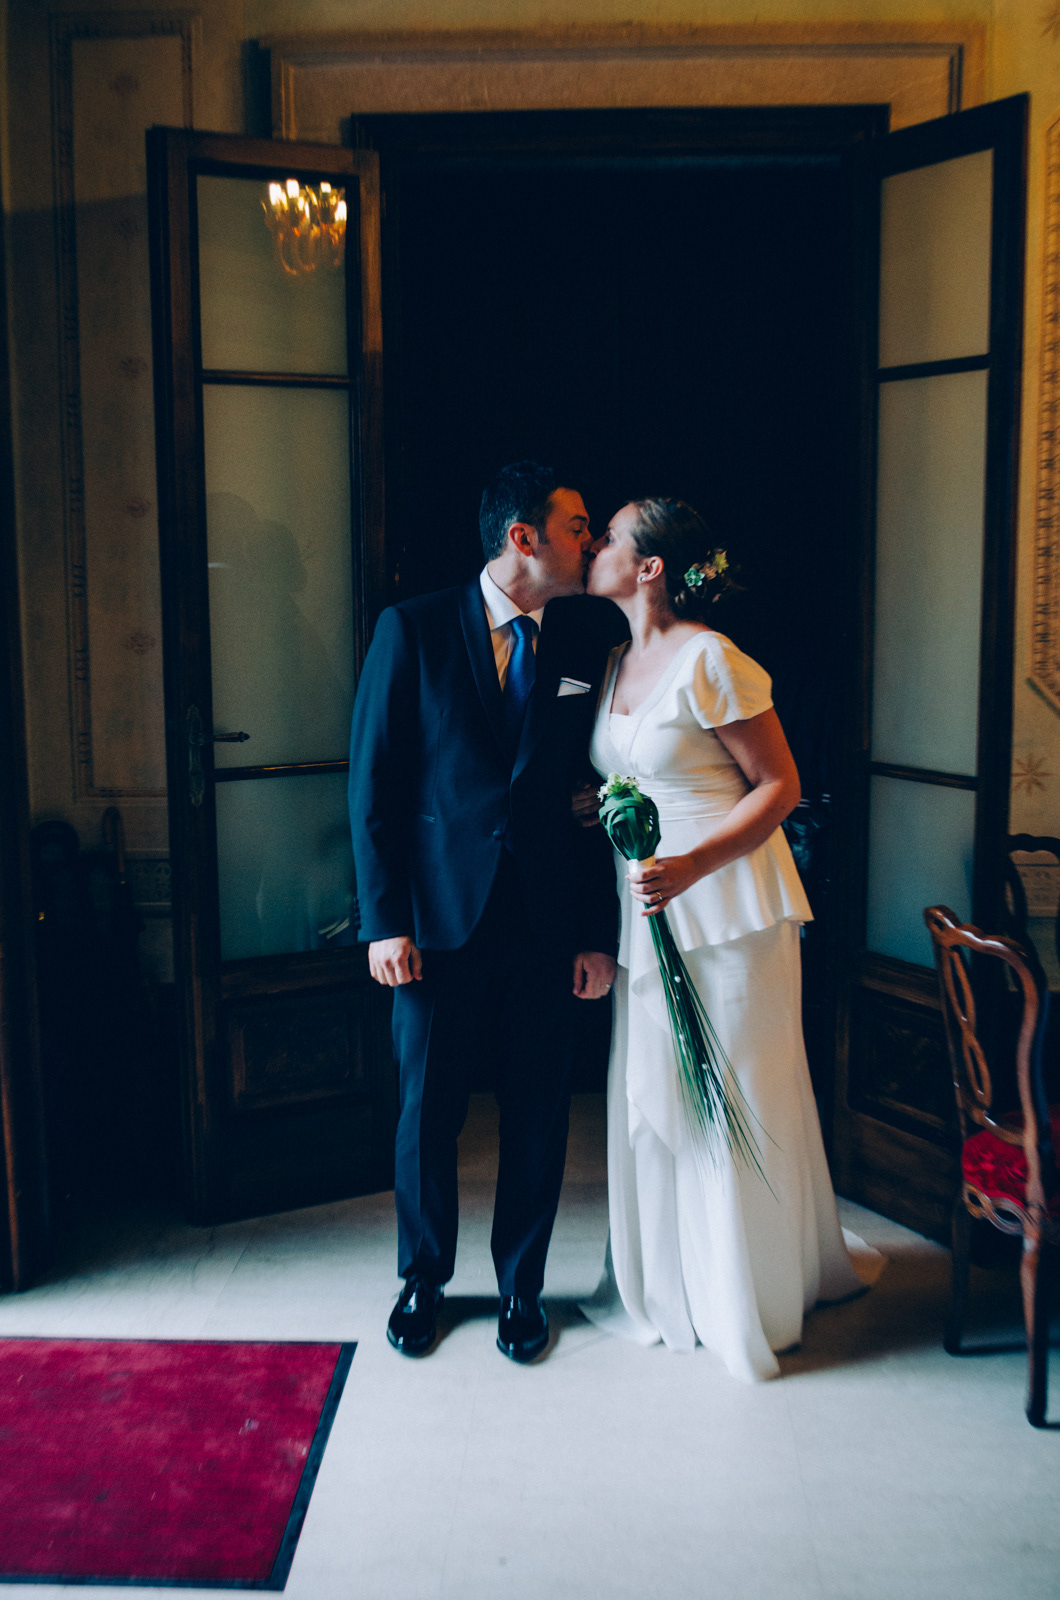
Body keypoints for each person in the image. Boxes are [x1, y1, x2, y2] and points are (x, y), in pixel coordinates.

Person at [580, 496, 865, 1383]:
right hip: (647, 906)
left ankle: (751, 1295)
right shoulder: (613, 660)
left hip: (728, 907)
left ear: (651, 566)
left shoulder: (712, 658)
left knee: (739, 1087)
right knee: (662, 1088)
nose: (593, 546)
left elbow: (780, 786)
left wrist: (691, 864)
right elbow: (632, 773)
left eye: (610, 537)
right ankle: (673, 1284)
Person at [348, 461, 618, 1363]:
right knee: (427, 1110)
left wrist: (596, 936)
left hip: (546, 921)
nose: (591, 541)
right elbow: (374, 786)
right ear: (522, 537)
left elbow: (594, 794)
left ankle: (520, 1288)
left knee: (539, 1110)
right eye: (577, 526)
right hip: (435, 922)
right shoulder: (413, 628)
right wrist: (384, 921)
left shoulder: (586, 639)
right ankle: (422, 1279)